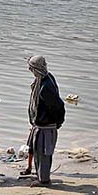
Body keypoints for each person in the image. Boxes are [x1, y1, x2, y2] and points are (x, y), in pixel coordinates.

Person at [25, 56, 65, 187]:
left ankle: (44, 180)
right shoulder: (44, 80)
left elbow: (56, 106)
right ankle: (41, 176)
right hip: (41, 124)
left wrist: (57, 122)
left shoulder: (45, 87)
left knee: (44, 153)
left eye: (31, 68)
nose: (30, 70)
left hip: (46, 125)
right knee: (38, 152)